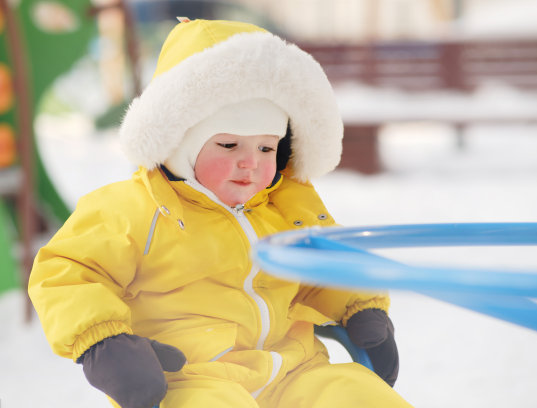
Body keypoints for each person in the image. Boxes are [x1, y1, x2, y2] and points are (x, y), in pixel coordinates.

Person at [28, 19, 412, 408]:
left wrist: (361, 308)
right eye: (229, 144)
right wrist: (105, 343)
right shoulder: (132, 209)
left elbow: (320, 268)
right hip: (187, 379)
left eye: (266, 148)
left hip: (292, 370)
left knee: (356, 395)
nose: (250, 164)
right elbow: (66, 273)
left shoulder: (286, 206)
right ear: (179, 142)